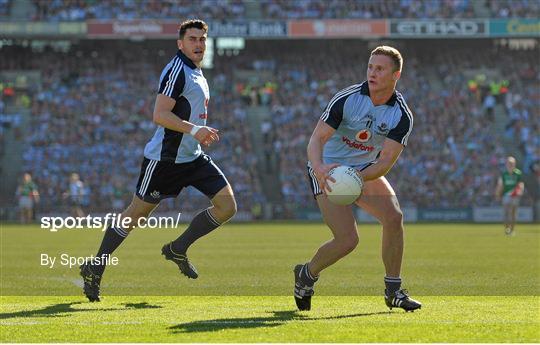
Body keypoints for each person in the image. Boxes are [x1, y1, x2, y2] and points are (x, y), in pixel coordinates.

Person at [80, 19, 237, 302]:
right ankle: (95, 267)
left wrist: (196, 134)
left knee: (227, 206)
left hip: (193, 157)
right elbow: (159, 115)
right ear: (180, 43)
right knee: (135, 215)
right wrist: (195, 129)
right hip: (164, 160)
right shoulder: (177, 70)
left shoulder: (197, 72)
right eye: (192, 39)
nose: (199, 44)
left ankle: (178, 248)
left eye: (202, 39)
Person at [295, 46, 421, 312]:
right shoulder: (348, 98)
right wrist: (318, 167)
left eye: (380, 69)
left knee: (394, 217)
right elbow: (317, 138)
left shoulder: (401, 115)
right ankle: (307, 274)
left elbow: (385, 161)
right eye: (370, 67)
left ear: (395, 75)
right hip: (328, 169)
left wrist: (355, 177)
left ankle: (393, 290)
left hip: (362, 169)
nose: (372, 73)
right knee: (347, 240)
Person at [495, 156, 524, 236]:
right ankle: (507, 229)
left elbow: (520, 183)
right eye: (509, 163)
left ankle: (512, 229)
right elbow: (500, 185)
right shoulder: (504, 174)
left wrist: (520, 190)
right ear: (506, 164)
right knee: (506, 212)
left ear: (515, 163)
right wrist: (497, 194)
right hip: (506, 195)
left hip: (515, 195)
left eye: (512, 163)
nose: (510, 164)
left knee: (513, 213)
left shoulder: (518, 173)